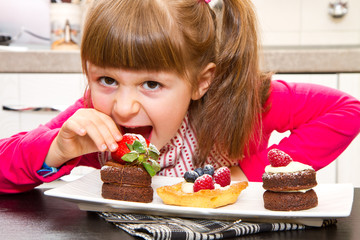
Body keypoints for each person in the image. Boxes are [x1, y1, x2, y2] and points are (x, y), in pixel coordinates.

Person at [1, 0, 359, 194]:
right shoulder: (92, 116)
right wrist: (56, 150)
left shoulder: (238, 101)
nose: (123, 108)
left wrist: (247, 175)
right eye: (107, 79)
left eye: (152, 85)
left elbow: (347, 109)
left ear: (202, 81)